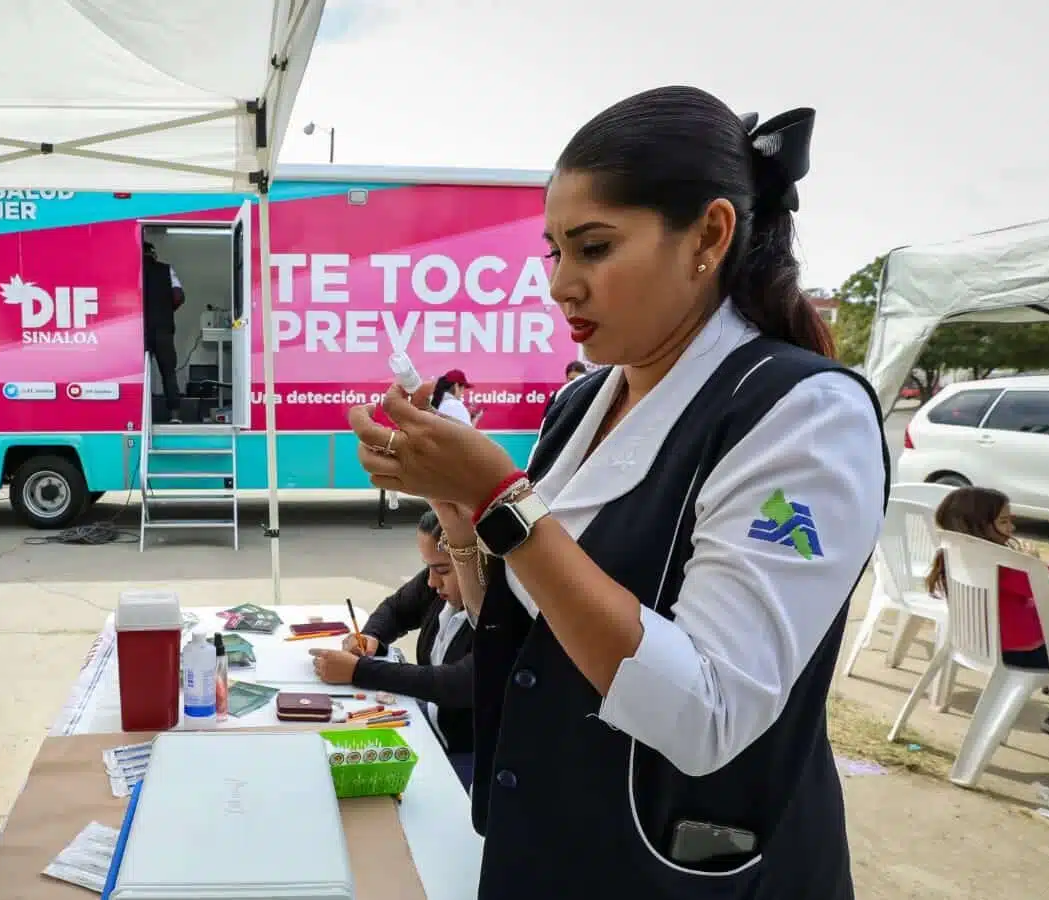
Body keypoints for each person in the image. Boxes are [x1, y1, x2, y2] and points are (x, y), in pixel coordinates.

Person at [348, 86, 889, 898]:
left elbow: (708, 713)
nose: (562, 285)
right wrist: (459, 505)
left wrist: (499, 497)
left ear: (709, 234)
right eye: (553, 253)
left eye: (594, 248)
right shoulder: (584, 402)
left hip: (684, 869)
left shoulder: (802, 416)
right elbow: (527, 612)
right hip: (554, 843)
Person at [309, 511, 476, 786]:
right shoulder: (438, 587)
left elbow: (456, 683)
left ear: (478, 562)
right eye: (429, 568)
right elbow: (396, 609)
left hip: (470, 756)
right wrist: (371, 635)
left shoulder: (506, 618)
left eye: (443, 570)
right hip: (431, 726)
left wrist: (360, 671)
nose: (432, 582)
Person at [926, 486, 1049, 737]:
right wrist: (1034, 562)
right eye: (1003, 521)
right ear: (977, 526)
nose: (1011, 528)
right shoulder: (1006, 565)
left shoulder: (955, 555)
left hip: (980, 645)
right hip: (1022, 653)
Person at [143, 239, 186, 423]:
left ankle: (141, 416)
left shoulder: (133, 270)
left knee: (141, 374)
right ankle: (174, 414)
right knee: (168, 372)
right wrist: (166, 309)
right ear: (154, 255)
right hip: (163, 329)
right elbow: (179, 296)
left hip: (140, 330)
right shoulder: (166, 269)